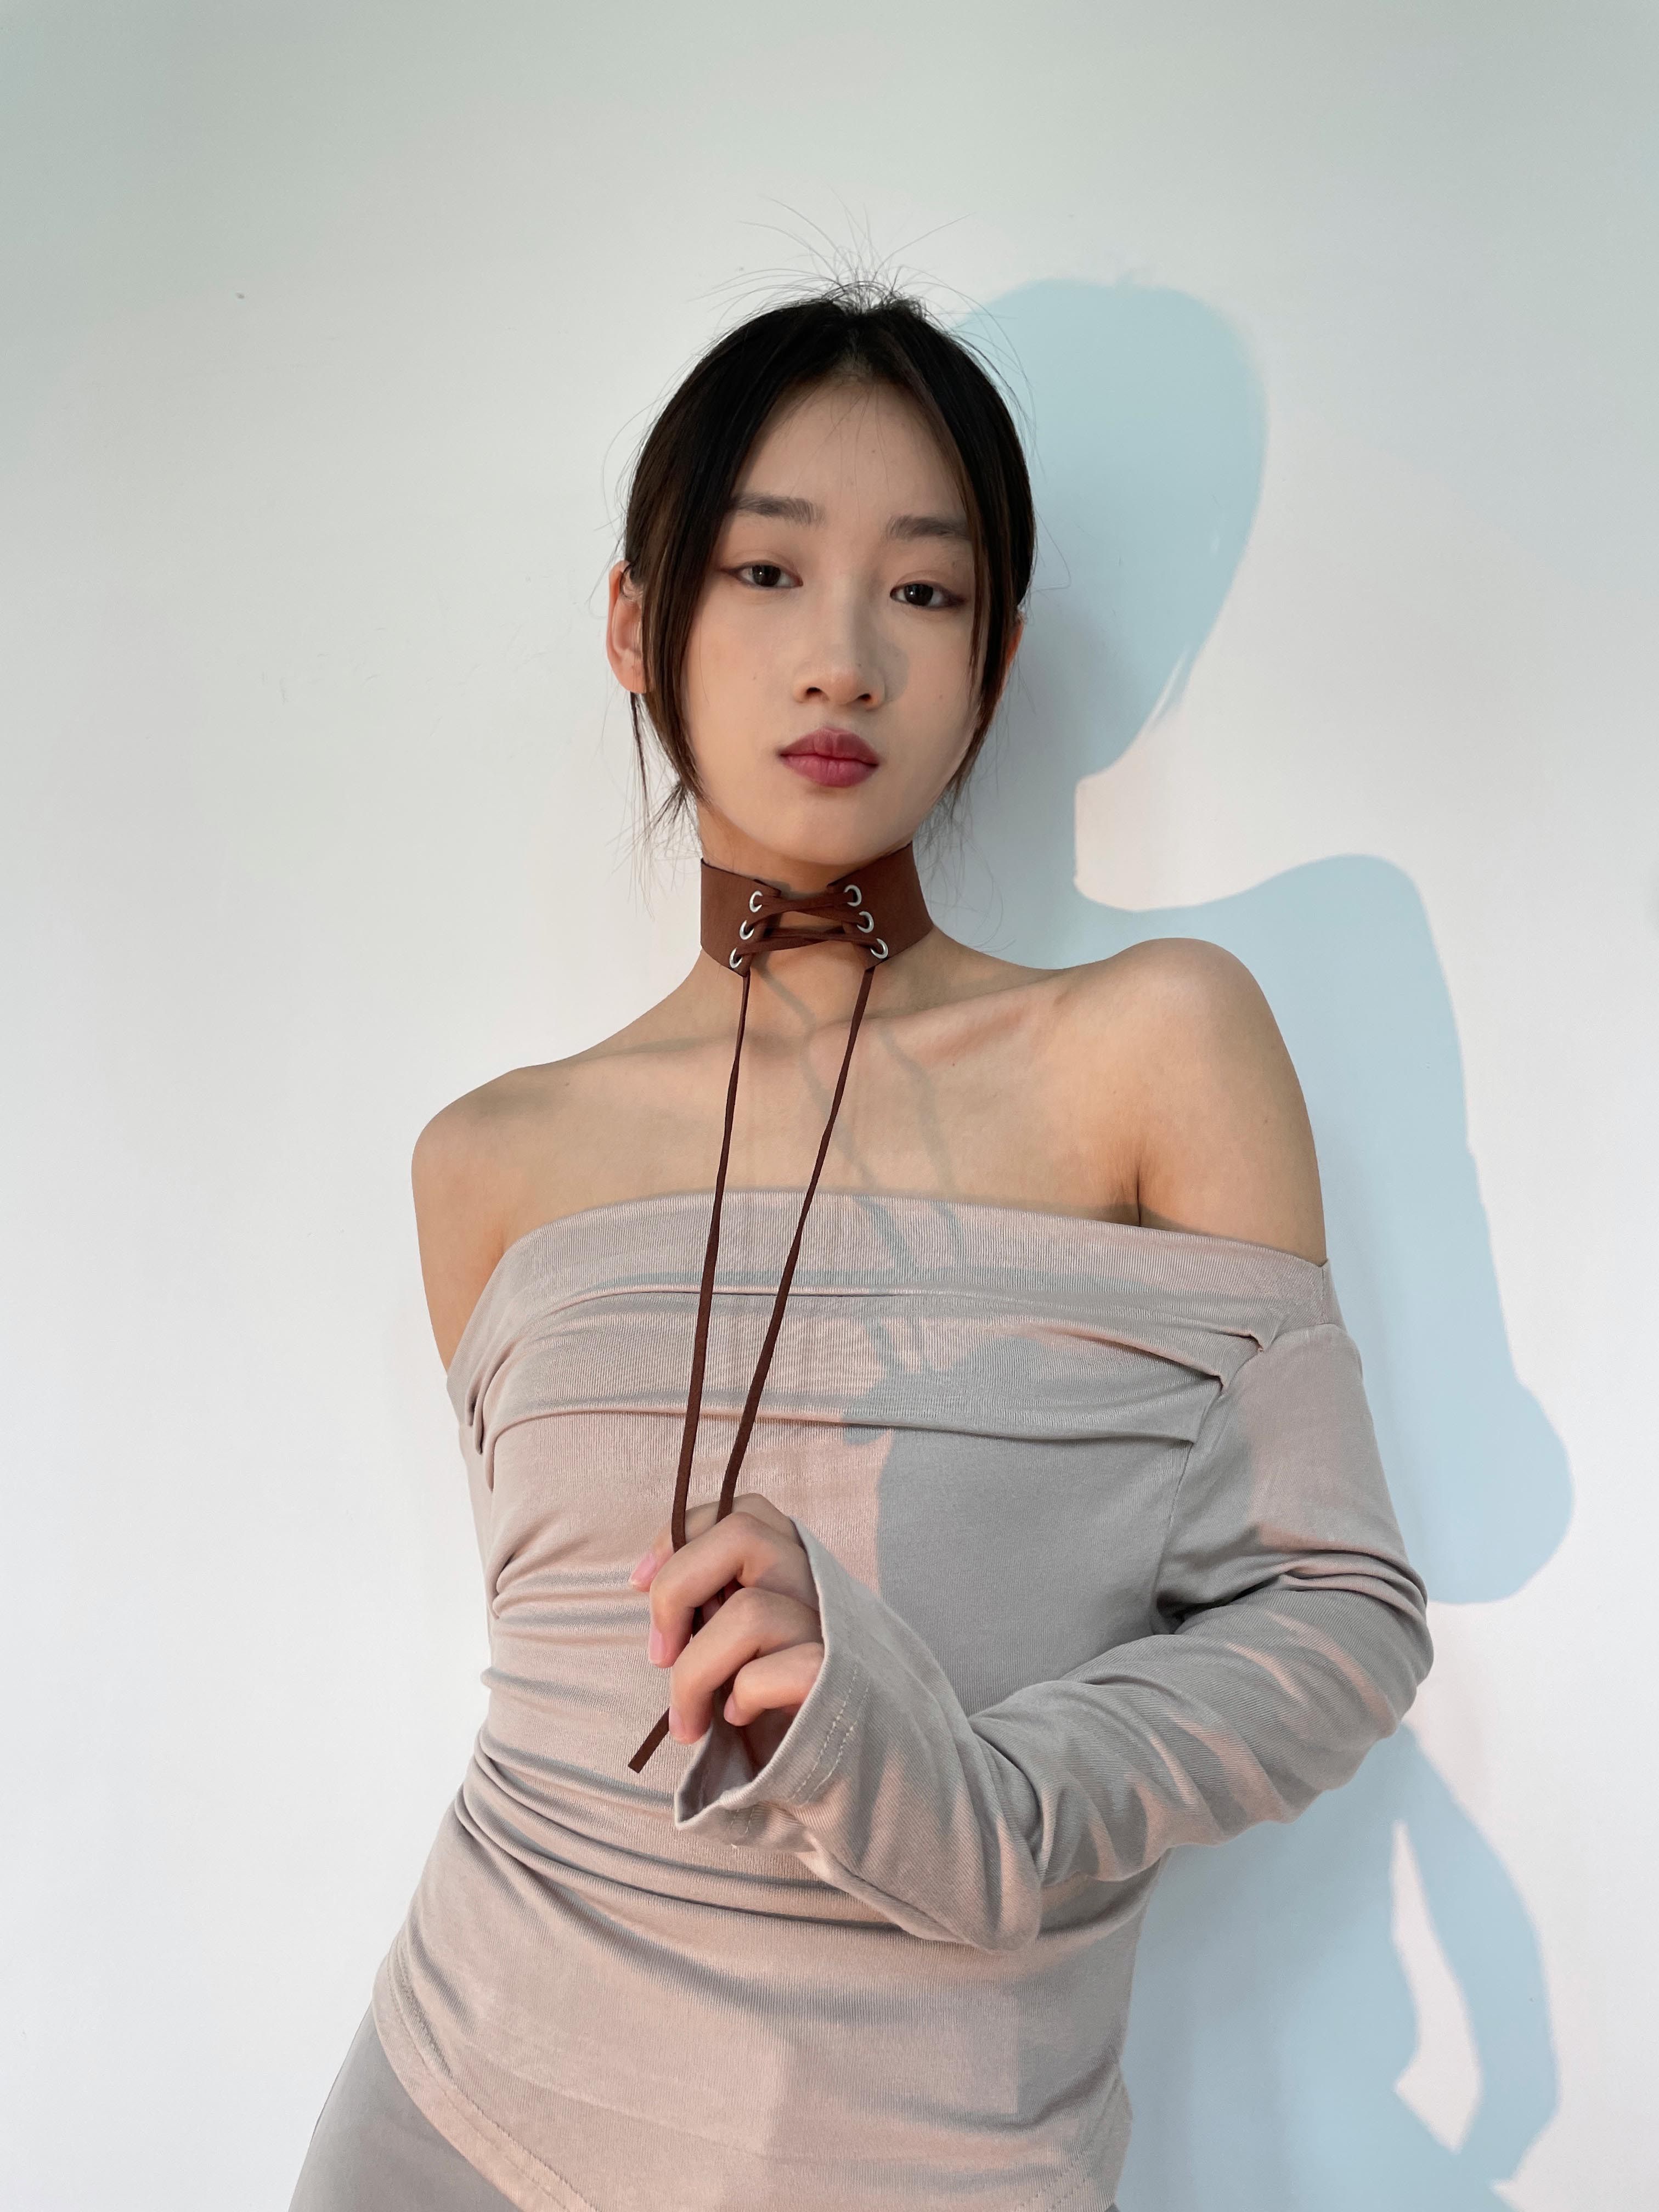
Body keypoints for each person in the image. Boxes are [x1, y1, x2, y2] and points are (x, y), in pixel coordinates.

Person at [288, 284, 1432, 2212]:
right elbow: (584, 1701)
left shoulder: (1156, 1045)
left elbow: (1336, 1614)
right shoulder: (485, 1162)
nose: (843, 658)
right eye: (765, 571)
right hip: (462, 2124)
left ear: (995, 659)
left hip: (943, 2158)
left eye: (923, 590)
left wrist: (968, 1798)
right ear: (637, 623)